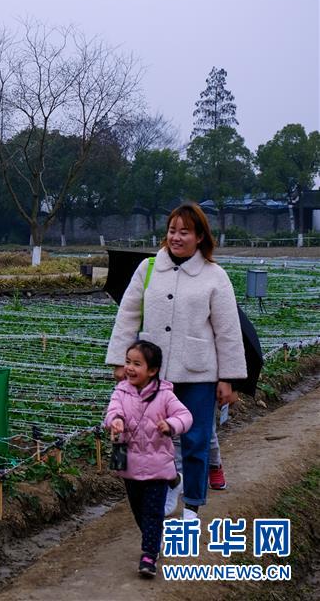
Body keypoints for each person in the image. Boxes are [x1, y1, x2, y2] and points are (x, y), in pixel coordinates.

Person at [106, 203, 247, 520]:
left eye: (185, 232)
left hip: (198, 372)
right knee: (153, 437)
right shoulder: (149, 268)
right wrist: (120, 359)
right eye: (172, 230)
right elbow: (127, 315)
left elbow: (227, 331)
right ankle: (167, 488)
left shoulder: (215, 276)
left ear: (199, 237)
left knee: (196, 439)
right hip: (154, 374)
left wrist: (229, 378)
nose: (177, 237)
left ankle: (193, 505)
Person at [104, 340, 192, 577]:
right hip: (130, 465)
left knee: (153, 511)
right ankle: (154, 538)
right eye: (128, 362)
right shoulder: (121, 392)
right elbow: (112, 411)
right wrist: (115, 421)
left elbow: (185, 416)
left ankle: (148, 555)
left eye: (137, 364)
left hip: (158, 467)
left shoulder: (165, 395)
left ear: (152, 371)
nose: (130, 368)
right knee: (139, 511)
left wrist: (171, 425)